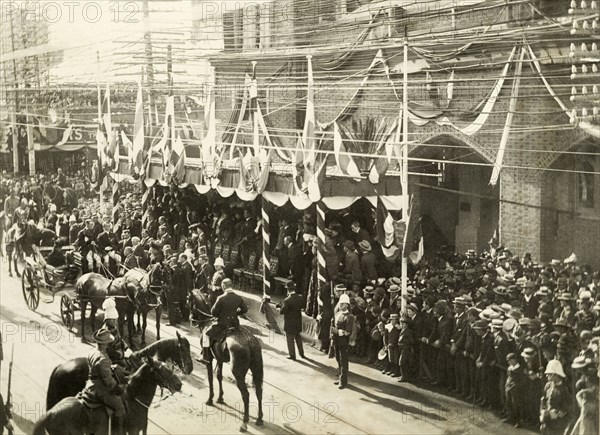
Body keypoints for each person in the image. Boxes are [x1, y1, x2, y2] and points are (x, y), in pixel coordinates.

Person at [78, 327, 126, 434]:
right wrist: (118, 388)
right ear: (106, 344)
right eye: (109, 342)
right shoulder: (104, 358)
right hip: (99, 389)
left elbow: (97, 368)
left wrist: (110, 367)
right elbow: (108, 382)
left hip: (89, 384)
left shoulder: (93, 351)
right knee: (120, 407)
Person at [200, 278, 248, 364]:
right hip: (234, 324)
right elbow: (245, 310)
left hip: (222, 324)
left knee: (205, 334)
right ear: (231, 286)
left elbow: (213, 313)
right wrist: (236, 313)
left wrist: (221, 314)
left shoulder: (221, 298)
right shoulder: (238, 297)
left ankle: (205, 356)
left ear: (223, 286)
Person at [331, 293, 356, 389]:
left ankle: (343, 381)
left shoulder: (350, 317)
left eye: (343, 304)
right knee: (338, 359)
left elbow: (347, 332)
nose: (340, 305)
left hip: (343, 342)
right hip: (336, 340)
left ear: (347, 305)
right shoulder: (337, 314)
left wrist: (337, 331)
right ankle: (340, 377)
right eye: (340, 304)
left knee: (343, 361)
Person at [540, 359, 572, 435]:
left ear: (556, 374)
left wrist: (557, 413)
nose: (546, 375)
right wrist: (542, 411)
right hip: (545, 421)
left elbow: (566, 407)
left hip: (557, 424)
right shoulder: (547, 386)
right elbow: (543, 400)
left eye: (549, 374)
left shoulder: (564, 389)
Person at [277, 282, 305, 361]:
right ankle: (301, 353)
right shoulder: (300, 297)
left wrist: (279, 308)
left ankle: (292, 355)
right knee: (298, 337)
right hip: (298, 321)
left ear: (288, 290)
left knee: (290, 339)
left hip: (289, 323)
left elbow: (282, 311)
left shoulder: (287, 300)